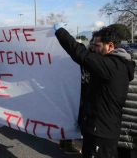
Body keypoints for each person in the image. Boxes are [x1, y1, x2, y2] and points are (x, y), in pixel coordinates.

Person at [54, 23, 135, 158]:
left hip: (101, 133)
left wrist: (60, 32)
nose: (93, 50)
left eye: (97, 46)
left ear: (110, 46)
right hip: (103, 129)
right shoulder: (116, 63)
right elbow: (86, 53)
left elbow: (82, 55)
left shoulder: (111, 65)